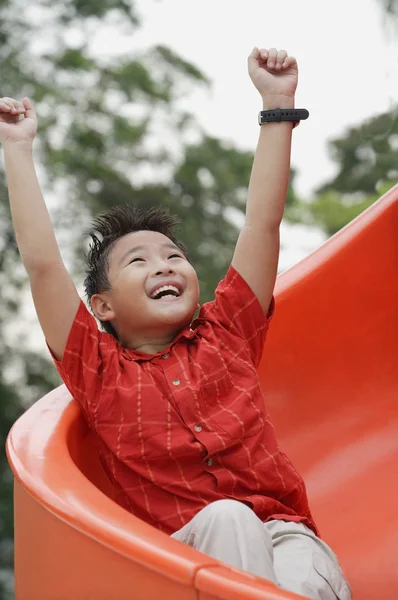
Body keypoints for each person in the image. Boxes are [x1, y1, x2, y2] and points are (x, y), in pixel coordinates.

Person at [1, 46, 351, 599]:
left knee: (304, 576)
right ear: (103, 307)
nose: (164, 264)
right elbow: (43, 266)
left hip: (285, 537)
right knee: (229, 519)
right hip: (181, 560)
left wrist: (277, 107)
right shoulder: (98, 371)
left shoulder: (229, 333)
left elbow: (263, 224)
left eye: (173, 255)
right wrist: (16, 150)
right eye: (137, 262)